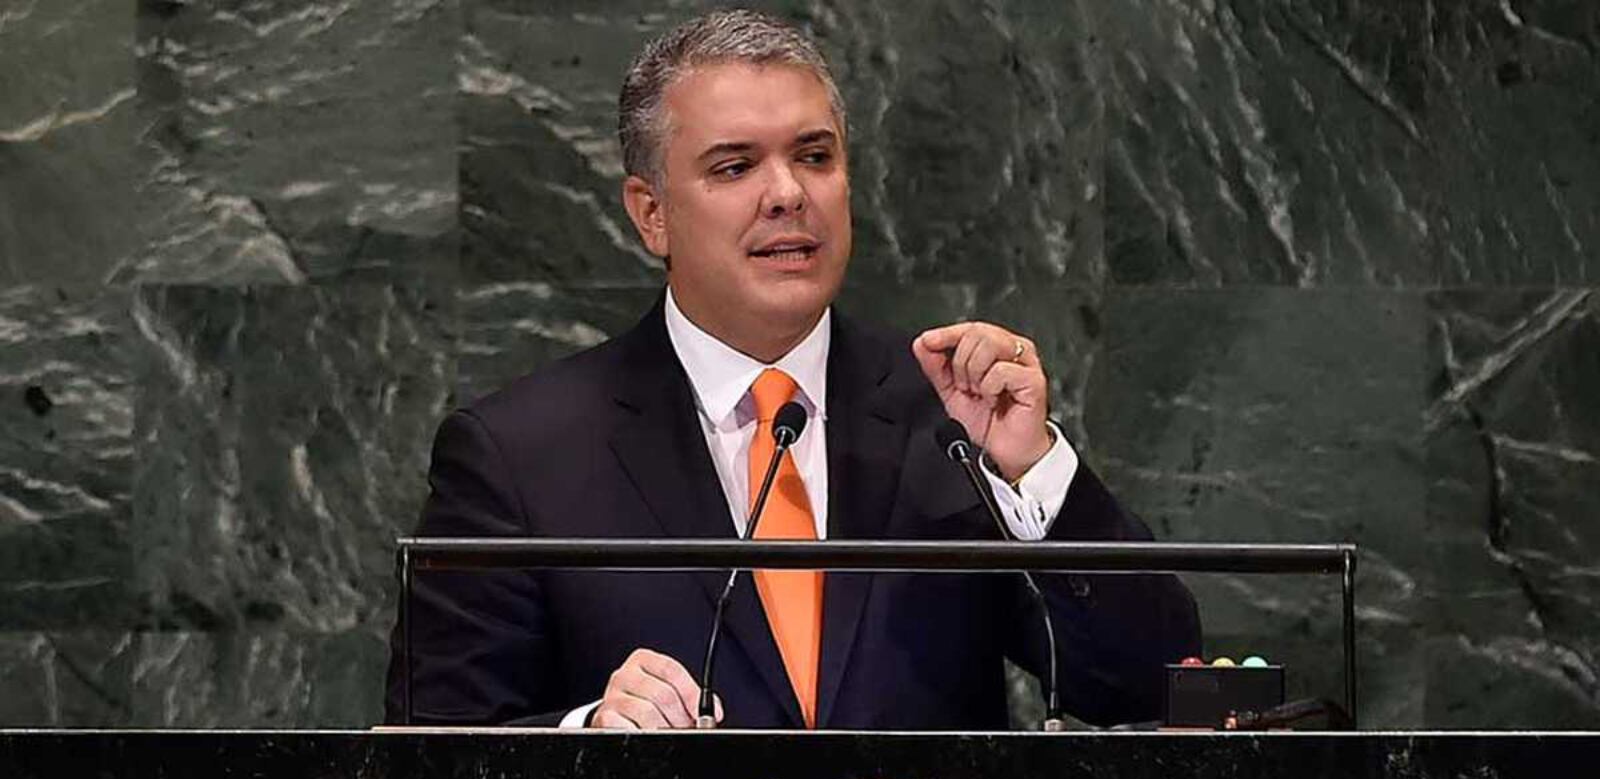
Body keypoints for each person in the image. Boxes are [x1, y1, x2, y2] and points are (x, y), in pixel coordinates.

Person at [384, 9, 1199, 730]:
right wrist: (588, 732)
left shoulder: (948, 420)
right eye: (735, 166)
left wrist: (1033, 471)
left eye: (814, 156)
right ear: (651, 213)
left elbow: (1153, 690)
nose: (787, 194)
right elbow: (420, 766)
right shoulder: (520, 454)